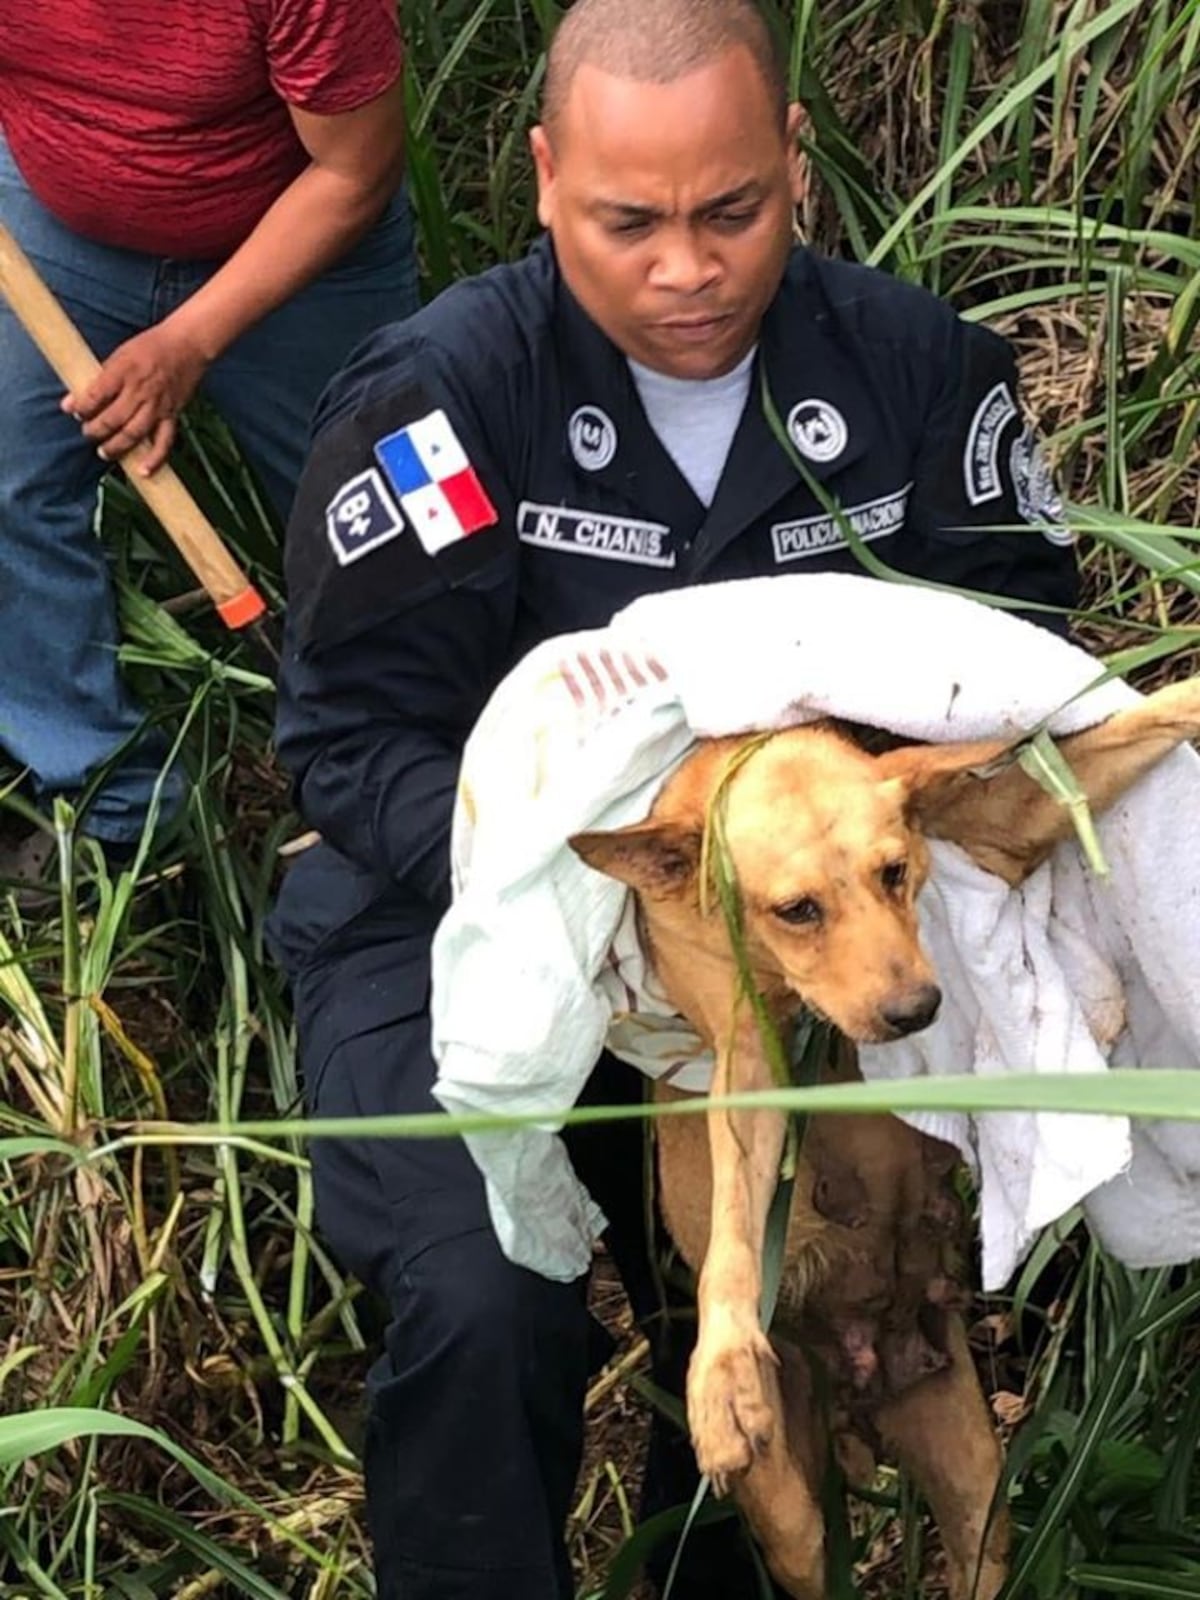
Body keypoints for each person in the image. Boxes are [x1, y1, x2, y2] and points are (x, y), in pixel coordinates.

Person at [270, 1, 1078, 1595]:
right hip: (456, 907)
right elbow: (350, 738)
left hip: (809, 915)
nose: (688, 269)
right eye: (628, 222)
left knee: (789, 1298)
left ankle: (717, 1566)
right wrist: (587, 908)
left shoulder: (916, 374)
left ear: (795, 161)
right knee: (480, 1292)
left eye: (733, 211)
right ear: (544, 177)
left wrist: (817, 835)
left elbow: (1019, 663)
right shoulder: (442, 404)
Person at [0, 1, 418, 879]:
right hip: (54, 217)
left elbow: (356, 168)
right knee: (6, 483)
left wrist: (187, 342)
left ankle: (403, 791)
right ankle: (116, 816)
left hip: (305, 240)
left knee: (389, 519)